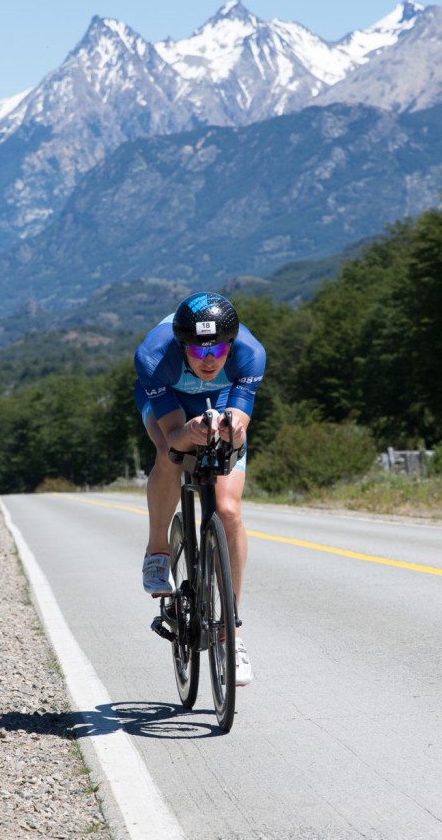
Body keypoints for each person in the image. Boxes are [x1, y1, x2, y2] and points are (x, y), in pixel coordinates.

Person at [134, 291, 266, 686]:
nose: (209, 360)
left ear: (232, 344)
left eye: (219, 349)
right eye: (198, 351)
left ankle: (230, 633)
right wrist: (188, 431)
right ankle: (158, 548)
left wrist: (232, 430)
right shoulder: (154, 357)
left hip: (221, 399)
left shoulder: (250, 355)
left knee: (228, 511)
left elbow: (239, 424)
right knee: (168, 453)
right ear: (181, 346)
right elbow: (174, 434)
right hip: (171, 400)